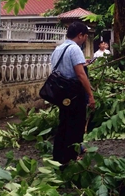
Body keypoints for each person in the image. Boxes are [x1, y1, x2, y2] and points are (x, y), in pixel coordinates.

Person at [50, 22, 96, 165]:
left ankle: (58, 156)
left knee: (64, 123)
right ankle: (71, 157)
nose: (85, 39)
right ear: (80, 35)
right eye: (85, 36)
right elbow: (81, 75)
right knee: (76, 125)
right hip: (75, 94)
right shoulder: (75, 49)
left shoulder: (58, 49)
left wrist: (83, 64)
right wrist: (90, 95)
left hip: (62, 93)